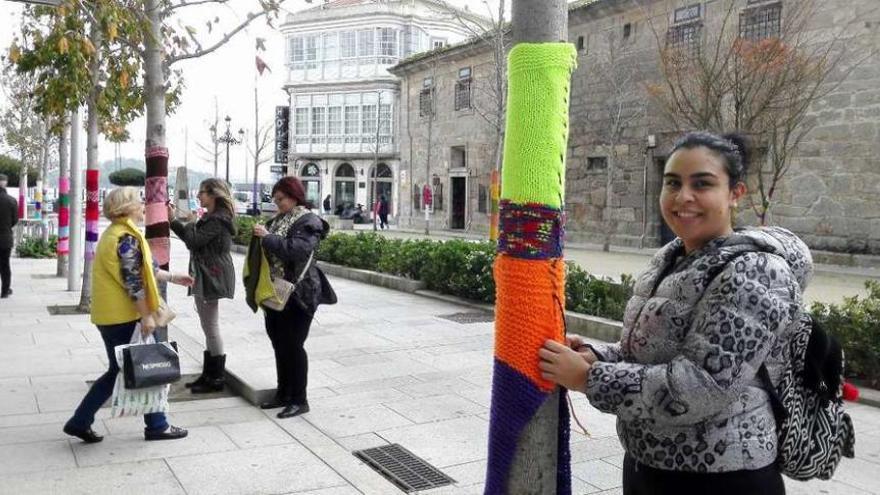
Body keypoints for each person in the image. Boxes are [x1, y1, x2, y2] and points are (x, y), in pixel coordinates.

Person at [539, 132, 812, 495]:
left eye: (702, 184)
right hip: (650, 464)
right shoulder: (669, 258)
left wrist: (591, 378)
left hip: (720, 476)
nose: (684, 197)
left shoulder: (757, 272)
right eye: (673, 183)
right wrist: (596, 355)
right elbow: (649, 351)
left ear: (735, 194)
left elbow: (701, 386)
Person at [64, 187, 194, 443]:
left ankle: (81, 421)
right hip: (125, 317)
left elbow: (145, 268)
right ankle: (157, 426)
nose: (143, 205)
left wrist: (174, 277)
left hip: (112, 317)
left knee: (120, 369)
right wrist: (146, 316)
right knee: (149, 364)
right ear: (126, 208)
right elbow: (133, 282)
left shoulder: (118, 234)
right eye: (138, 201)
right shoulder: (125, 237)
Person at [250, 177, 337, 419]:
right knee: (279, 343)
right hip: (276, 291)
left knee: (293, 345)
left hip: (300, 293)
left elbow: (297, 250)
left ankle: (300, 399)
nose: (277, 204)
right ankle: (284, 393)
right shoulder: (278, 220)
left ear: (294, 196)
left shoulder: (308, 221)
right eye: (275, 199)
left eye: (281, 199)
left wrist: (267, 237)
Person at [168, 178, 236, 394]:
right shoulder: (213, 217)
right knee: (208, 324)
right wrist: (175, 222)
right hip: (207, 273)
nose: (199, 196)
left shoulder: (219, 219)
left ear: (215, 194)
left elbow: (194, 241)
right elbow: (193, 239)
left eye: (203, 193)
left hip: (212, 274)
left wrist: (191, 222)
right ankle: (209, 374)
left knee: (211, 325)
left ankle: (215, 378)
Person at [0, 173, 17, 299]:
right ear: (5, 183)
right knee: (5, 264)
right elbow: (15, 220)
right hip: (5, 238)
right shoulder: (11, 200)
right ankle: (5, 290)